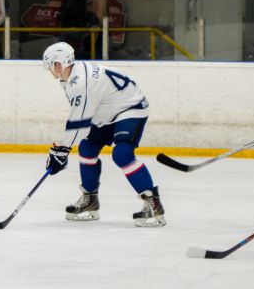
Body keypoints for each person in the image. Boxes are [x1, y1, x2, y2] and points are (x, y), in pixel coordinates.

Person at [42, 41, 165, 226]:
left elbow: (79, 122)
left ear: (59, 64)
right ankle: (90, 199)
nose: (50, 70)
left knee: (122, 154)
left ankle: (153, 204)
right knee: (87, 148)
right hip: (108, 112)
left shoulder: (80, 83)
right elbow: (81, 118)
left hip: (131, 107)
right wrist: (63, 148)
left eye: (51, 65)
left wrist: (62, 149)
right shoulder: (71, 75)